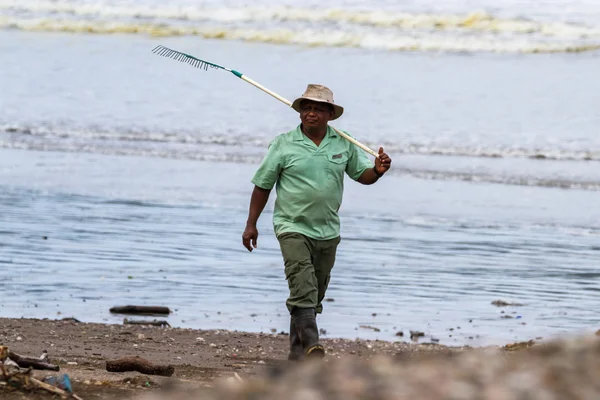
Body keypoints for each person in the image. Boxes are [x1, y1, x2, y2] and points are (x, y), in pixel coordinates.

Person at [242, 84, 392, 361]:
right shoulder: (283, 143)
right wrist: (251, 224)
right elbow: (262, 185)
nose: (311, 113)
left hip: (328, 230)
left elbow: (363, 175)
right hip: (292, 226)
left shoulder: (344, 142)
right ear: (299, 112)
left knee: (313, 296)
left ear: (330, 115)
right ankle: (312, 343)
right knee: (302, 285)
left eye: (318, 109)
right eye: (306, 108)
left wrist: (378, 171)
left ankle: (297, 357)